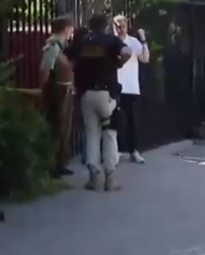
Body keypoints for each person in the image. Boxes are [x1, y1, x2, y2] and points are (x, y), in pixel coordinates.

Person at [67, 14, 132, 191]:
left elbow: (68, 59)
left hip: (86, 93)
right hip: (107, 94)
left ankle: (93, 177)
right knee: (110, 134)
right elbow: (127, 52)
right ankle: (110, 178)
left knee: (91, 134)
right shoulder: (111, 40)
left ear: (90, 24)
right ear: (105, 26)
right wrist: (119, 63)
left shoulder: (82, 41)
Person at [39, 16, 75, 178]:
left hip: (64, 92)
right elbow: (45, 69)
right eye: (71, 29)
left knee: (63, 129)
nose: (72, 32)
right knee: (57, 128)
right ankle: (52, 164)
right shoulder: (53, 46)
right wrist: (45, 88)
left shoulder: (60, 47)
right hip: (58, 93)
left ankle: (60, 163)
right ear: (65, 28)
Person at [112, 14, 150, 164]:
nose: (120, 29)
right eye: (118, 26)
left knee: (132, 121)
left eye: (123, 26)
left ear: (127, 27)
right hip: (115, 86)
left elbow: (145, 59)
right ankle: (118, 150)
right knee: (116, 120)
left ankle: (134, 150)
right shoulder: (111, 43)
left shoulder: (133, 42)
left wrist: (143, 40)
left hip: (131, 87)